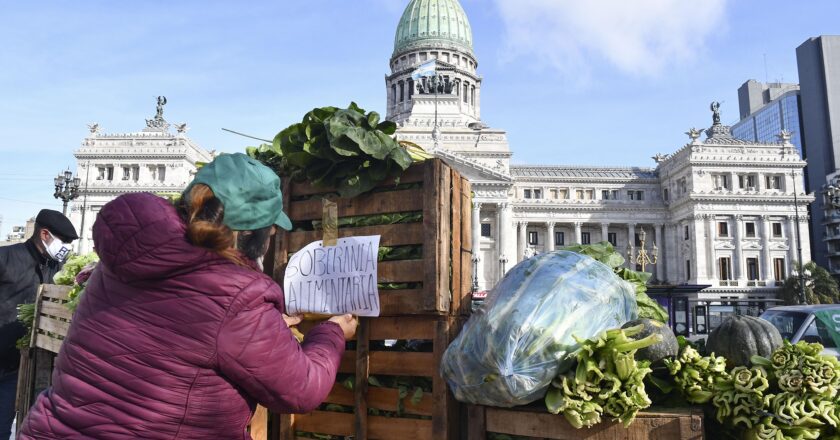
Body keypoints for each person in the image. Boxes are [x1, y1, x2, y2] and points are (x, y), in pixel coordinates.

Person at [20, 153, 357, 439]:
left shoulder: (123, 259)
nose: (271, 236)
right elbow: (301, 388)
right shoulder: (235, 295)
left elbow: (178, 335)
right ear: (245, 234)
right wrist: (334, 332)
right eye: (270, 228)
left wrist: (263, 329)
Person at [0, 209, 77, 439]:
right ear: (45, 234)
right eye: (64, 241)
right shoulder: (6, 257)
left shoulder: (55, 267)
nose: (67, 247)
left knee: (2, 427)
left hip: (16, 366)